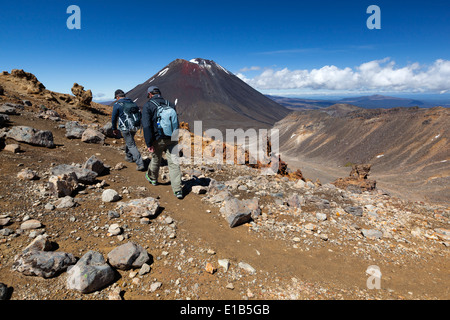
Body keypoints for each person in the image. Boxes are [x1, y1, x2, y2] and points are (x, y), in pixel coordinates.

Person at [141, 86, 183, 199]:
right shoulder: (170, 104)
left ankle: (153, 179)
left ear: (150, 94)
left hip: (157, 139)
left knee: (156, 159)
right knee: (174, 164)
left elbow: (146, 126)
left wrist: (149, 143)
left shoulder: (148, 105)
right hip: (172, 138)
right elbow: (175, 122)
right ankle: (178, 190)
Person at [111, 89, 145, 171]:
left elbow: (114, 118)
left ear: (117, 97)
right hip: (135, 126)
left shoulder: (117, 104)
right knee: (129, 141)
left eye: (116, 98)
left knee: (131, 144)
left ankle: (140, 163)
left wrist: (114, 128)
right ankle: (128, 157)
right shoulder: (132, 103)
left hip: (125, 127)